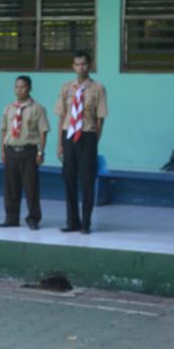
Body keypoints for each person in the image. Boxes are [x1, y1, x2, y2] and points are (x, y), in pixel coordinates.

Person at [54, 50, 108, 234]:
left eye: (84, 64)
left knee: (87, 181)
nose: (81, 67)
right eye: (77, 64)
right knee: (69, 179)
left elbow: (100, 119)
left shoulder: (98, 88)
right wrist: (59, 143)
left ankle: (86, 223)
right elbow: (61, 117)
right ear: (73, 67)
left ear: (89, 65)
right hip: (68, 136)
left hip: (87, 136)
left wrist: (94, 141)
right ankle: (72, 221)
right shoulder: (66, 88)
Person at [0, 76, 49, 230]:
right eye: (17, 87)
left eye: (23, 87)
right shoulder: (8, 108)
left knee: (31, 187)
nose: (19, 90)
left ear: (30, 88)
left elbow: (43, 132)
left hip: (29, 152)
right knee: (11, 187)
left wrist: (40, 152)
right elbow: (4, 130)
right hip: (11, 150)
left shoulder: (37, 108)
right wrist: (2, 150)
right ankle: (11, 217)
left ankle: (33, 218)